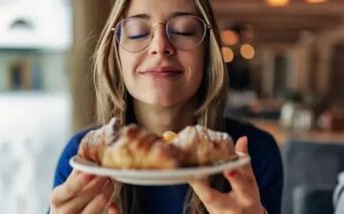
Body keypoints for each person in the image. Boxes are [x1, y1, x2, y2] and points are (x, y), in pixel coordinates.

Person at [49, 0, 283, 213]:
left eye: (184, 30)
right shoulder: (83, 158)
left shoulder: (253, 154)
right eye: (137, 32)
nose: (160, 46)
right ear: (116, 52)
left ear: (207, 51)